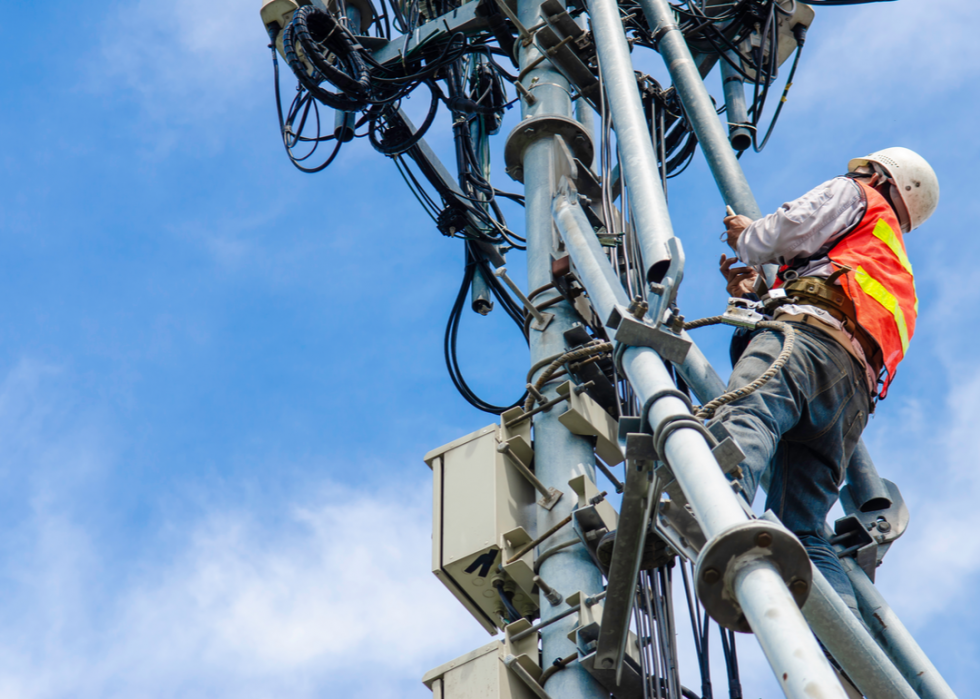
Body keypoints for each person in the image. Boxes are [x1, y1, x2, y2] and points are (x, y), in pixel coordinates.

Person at [710, 147, 939, 615]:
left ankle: (712, 507)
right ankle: (851, 655)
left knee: (746, 415)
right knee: (805, 528)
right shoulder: (893, 266)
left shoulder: (859, 196)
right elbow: (837, 291)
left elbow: (790, 227)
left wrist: (747, 237)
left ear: (880, 176)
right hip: (849, 396)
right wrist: (759, 291)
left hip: (808, 347)